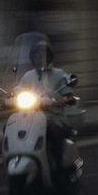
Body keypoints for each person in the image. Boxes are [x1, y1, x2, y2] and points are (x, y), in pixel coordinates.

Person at [20, 38, 78, 168]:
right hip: (30, 118)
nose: (40, 57)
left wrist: (63, 101)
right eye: (37, 54)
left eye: (43, 54)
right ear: (32, 57)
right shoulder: (28, 75)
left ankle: (58, 164)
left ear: (50, 56)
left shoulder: (59, 74)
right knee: (8, 127)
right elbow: (18, 89)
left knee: (52, 129)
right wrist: (6, 97)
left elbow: (69, 95)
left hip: (54, 116)